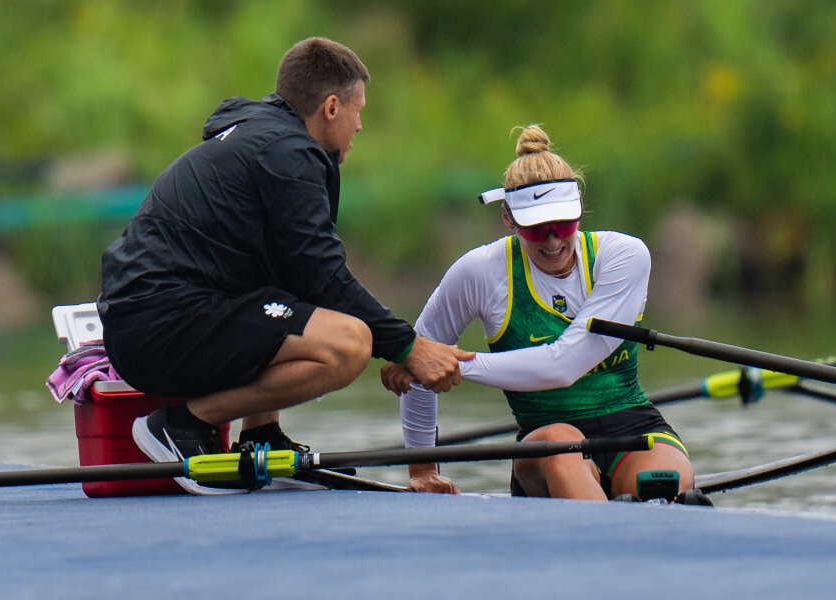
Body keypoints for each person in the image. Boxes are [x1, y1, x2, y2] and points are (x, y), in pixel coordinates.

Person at [97, 37, 472, 494]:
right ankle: (182, 424)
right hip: (156, 327)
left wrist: (403, 346)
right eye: (358, 110)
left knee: (289, 293)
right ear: (330, 108)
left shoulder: (263, 136)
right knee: (349, 344)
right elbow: (325, 276)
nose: (360, 125)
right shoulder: (288, 153)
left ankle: (261, 435)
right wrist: (407, 347)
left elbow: (300, 280)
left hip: (152, 318)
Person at [382, 125, 701, 503]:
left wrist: (449, 364)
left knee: (666, 485)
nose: (553, 240)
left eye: (563, 223)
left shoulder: (623, 256)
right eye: (536, 228)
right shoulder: (480, 273)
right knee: (562, 443)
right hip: (546, 441)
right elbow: (417, 364)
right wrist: (423, 470)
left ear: (579, 208)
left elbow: (563, 366)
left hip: (634, 427)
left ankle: (638, 510)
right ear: (508, 218)